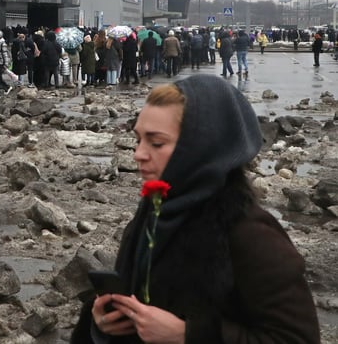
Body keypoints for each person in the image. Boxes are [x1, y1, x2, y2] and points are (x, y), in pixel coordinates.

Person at [71, 74, 320, 344]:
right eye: (138, 139)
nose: (138, 154)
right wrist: (101, 323)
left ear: (200, 148)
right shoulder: (154, 213)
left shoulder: (250, 234)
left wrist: (188, 335)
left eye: (156, 143)